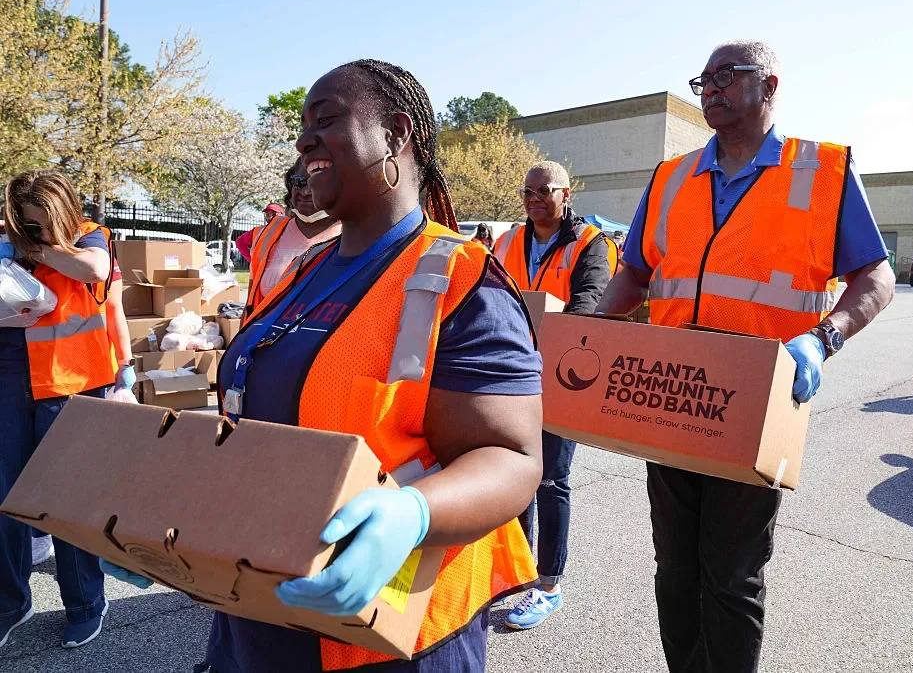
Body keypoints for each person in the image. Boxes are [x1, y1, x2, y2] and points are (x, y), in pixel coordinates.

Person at [102, 59, 543, 673]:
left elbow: (513, 459)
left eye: (326, 119)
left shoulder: (464, 278)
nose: (303, 138)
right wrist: (167, 511)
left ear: (396, 134)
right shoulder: (308, 270)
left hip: (390, 629)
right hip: (262, 607)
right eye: (302, 124)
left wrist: (412, 515)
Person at [596, 40, 895, 672]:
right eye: (703, 79)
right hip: (669, 400)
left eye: (727, 76)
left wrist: (823, 338)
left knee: (731, 577)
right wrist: (585, 333)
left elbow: (876, 279)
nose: (710, 88)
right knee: (674, 570)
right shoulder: (671, 177)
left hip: (757, 405)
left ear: (771, 85)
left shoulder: (823, 171)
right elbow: (634, 277)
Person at [493, 160, 617, 630]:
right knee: (514, 478)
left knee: (550, 482)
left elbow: (591, 301)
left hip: (564, 375)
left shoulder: (590, 244)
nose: (535, 199)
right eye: (528, 191)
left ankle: (549, 586)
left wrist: (553, 333)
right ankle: (516, 575)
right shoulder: (507, 242)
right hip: (511, 375)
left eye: (546, 191)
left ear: (567, 194)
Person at [0, 170, 114, 650]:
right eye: (25, 221)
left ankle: (86, 603)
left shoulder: (92, 235)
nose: (33, 229)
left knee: (69, 503)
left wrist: (38, 248)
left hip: (72, 386)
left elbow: (94, 271)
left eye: (42, 221)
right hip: (10, 381)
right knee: (6, 499)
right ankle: (10, 603)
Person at [29, 255, 136, 567]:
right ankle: (39, 535)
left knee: (77, 472)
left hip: (84, 376)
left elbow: (114, 307)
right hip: (43, 375)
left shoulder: (93, 243)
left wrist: (126, 362)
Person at [243, 159, 343, 318]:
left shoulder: (353, 236)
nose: (305, 192)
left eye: (316, 182)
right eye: (299, 182)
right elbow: (252, 301)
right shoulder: (269, 233)